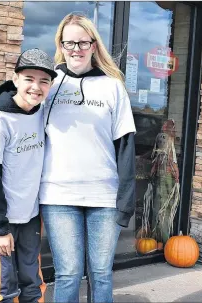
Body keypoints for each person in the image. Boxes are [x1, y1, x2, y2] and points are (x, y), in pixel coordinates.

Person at [40, 13, 136, 303]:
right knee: (68, 273)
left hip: (103, 197)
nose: (76, 49)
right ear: (60, 44)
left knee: (101, 273)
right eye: (69, 42)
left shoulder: (112, 86)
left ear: (94, 45)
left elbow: (126, 145)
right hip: (58, 195)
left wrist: (126, 201)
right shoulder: (49, 84)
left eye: (83, 42)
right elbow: (15, 112)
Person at [0, 48, 57, 303]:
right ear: (15, 80)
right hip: (4, 218)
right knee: (4, 286)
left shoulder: (41, 113)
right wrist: (0, 228)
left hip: (31, 215)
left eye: (44, 81)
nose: (36, 87)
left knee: (33, 283)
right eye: (29, 79)